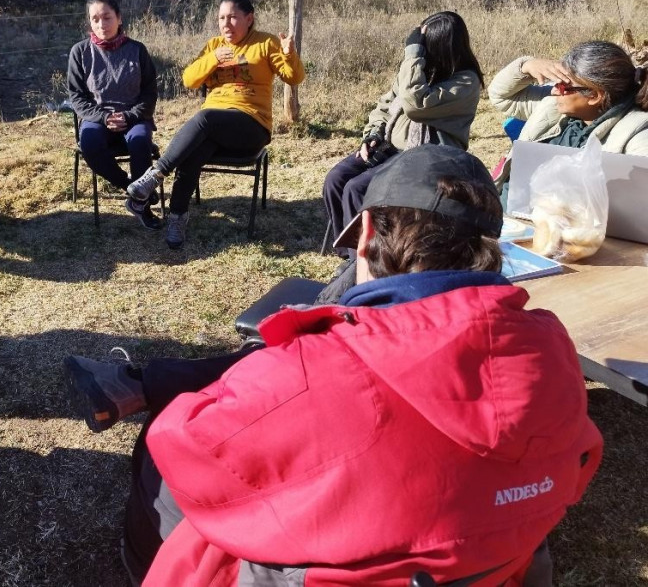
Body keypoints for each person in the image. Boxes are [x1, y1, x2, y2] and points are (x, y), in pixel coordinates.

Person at [65, 144, 603, 586]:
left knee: (157, 452)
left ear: (366, 235)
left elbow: (187, 446)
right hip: (486, 566)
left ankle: (138, 565)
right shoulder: (553, 350)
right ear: (492, 251)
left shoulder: (306, 372)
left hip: (327, 574)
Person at [127, 0, 304, 249]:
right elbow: (189, 80)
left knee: (205, 117)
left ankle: (156, 173)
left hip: (251, 127)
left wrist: (289, 53)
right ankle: (177, 217)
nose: (226, 24)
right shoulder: (214, 46)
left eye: (233, 17)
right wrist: (213, 59)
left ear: (249, 18)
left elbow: (293, 77)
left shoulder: (265, 43)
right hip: (213, 128)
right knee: (193, 151)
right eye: (221, 18)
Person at [322, 11, 483, 254]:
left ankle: (363, 260)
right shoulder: (417, 71)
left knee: (358, 188)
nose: (419, 48)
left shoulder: (465, 83)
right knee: (336, 179)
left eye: (423, 44)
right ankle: (348, 253)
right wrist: (373, 134)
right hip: (391, 147)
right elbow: (386, 104)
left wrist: (412, 57)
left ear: (440, 47)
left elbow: (415, 103)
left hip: (427, 157)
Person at [489, 40, 648, 196]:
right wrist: (525, 66)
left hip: (550, 220)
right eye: (555, 83)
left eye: (563, 86)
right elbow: (501, 96)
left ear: (594, 95)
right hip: (503, 211)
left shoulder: (637, 134)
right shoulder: (553, 107)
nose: (554, 91)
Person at [68, 0, 161, 230]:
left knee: (141, 141)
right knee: (89, 143)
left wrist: (129, 116)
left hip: (134, 116)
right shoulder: (80, 52)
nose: (102, 24)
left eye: (107, 17)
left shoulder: (137, 50)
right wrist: (104, 117)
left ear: (119, 18)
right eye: (95, 19)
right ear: (89, 21)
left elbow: (150, 92)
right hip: (97, 118)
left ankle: (144, 209)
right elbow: (77, 97)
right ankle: (133, 190)